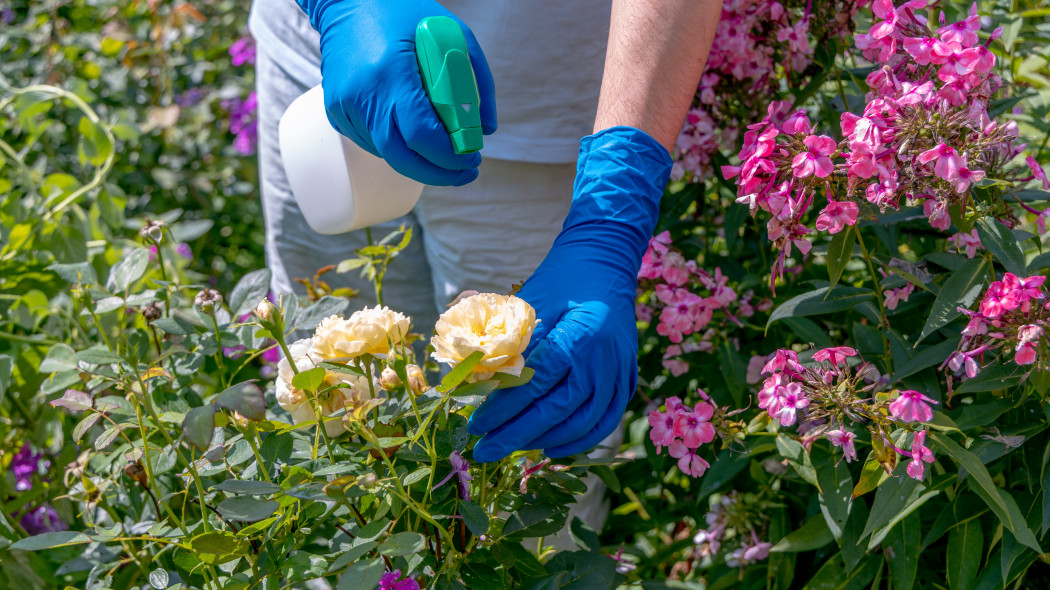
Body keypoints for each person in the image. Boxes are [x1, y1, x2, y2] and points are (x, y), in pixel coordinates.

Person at [248, 0, 721, 466]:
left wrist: (609, 218)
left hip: (554, 116)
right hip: (319, 82)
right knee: (331, 409)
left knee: (525, 447)